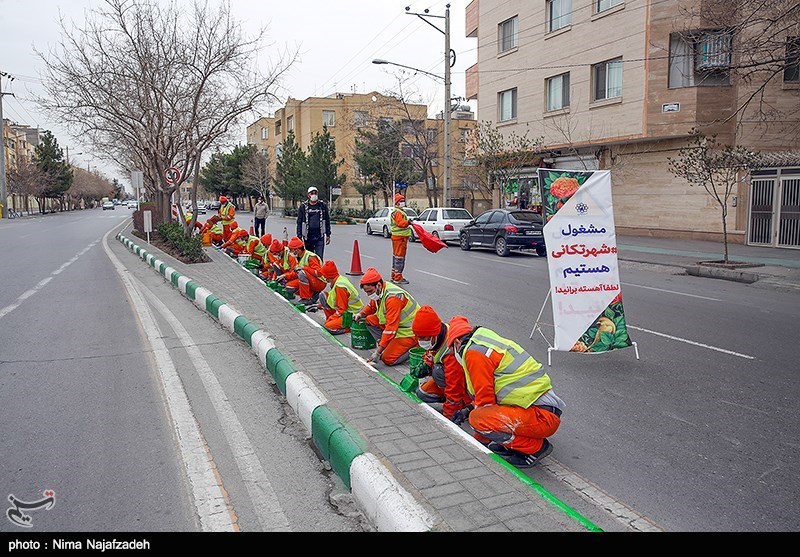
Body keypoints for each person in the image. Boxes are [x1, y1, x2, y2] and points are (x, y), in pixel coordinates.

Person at [445, 316, 564, 468]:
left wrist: (479, 444)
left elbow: (485, 403)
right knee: (478, 417)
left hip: (542, 418)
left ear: (456, 342)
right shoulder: (483, 342)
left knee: (478, 420)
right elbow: (495, 393)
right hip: (542, 412)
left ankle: (535, 448)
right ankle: (512, 445)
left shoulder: (474, 354)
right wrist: (467, 410)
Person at [410, 305, 472, 423]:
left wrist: (448, 417)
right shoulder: (436, 336)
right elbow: (432, 352)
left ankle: (462, 405)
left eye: (423, 338)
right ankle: (449, 400)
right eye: (418, 337)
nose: (420, 341)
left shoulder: (451, 351)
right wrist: (426, 365)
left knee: (437, 370)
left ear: (434, 334)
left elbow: (455, 387)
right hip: (450, 380)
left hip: (464, 388)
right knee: (422, 393)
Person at [353, 267, 419, 365]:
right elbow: (371, 306)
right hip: (397, 328)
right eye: (366, 292)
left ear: (378, 285)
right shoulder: (380, 291)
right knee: (369, 319)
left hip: (409, 332)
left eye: (370, 291)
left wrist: (378, 352)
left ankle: (415, 347)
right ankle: (388, 344)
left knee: (388, 359)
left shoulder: (393, 298)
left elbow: (391, 328)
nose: (369, 295)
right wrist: (361, 314)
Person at [317, 260, 364, 335]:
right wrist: (319, 306)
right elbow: (333, 298)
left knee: (328, 326)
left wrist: (331, 318)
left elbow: (342, 309)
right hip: (347, 311)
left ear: (327, 276)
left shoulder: (340, 287)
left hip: (351, 314)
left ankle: (349, 327)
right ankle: (334, 321)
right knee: (324, 295)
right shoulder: (339, 279)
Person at [283, 236, 327, 304]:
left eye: (291, 250)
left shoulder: (310, 257)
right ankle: (313, 294)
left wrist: (304, 267)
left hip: (319, 282)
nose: (290, 253)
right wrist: (285, 276)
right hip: (310, 280)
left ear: (297, 250)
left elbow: (319, 273)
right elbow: (295, 273)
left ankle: (306, 298)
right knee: (289, 287)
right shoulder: (299, 257)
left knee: (301, 273)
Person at [296, 186, 331, 261]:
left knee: (319, 257)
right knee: (310, 257)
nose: (314, 195)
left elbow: (327, 220)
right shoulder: (303, 207)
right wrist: (299, 236)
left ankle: (319, 271)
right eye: (312, 193)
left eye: (315, 193)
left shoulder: (322, 206)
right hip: (308, 236)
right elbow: (299, 222)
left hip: (319, 236)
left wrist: (328, 234)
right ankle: (311, 272)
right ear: (308, 195)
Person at [389, 193, 411, 284]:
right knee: (400, 258)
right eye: (401, 201)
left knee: (396, 257)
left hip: (397, 237)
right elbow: (401, 223)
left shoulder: (395, 212)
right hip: (400, 238)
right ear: (397, 203)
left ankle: (394, 275)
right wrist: (408, 222)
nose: (403, 202)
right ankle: (398, 277)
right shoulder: (398, 212)